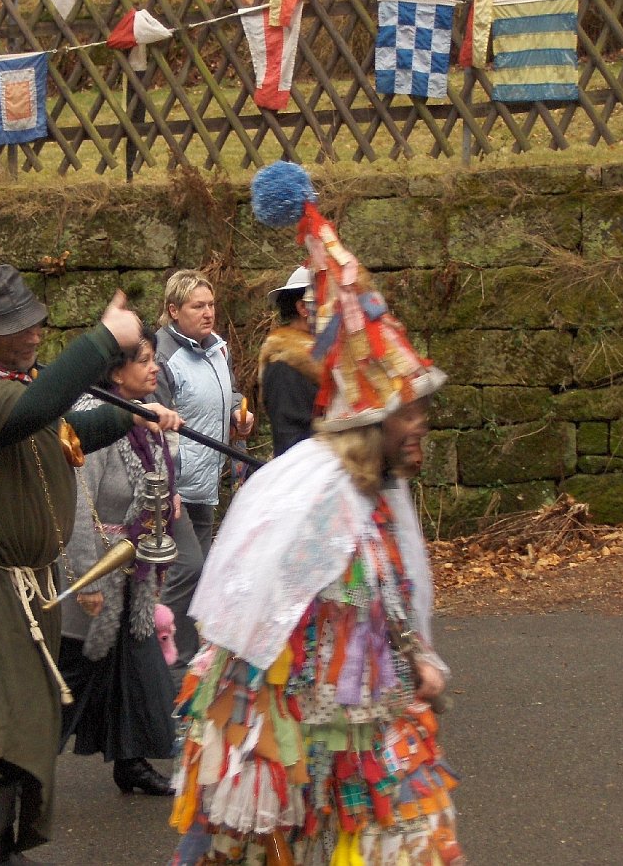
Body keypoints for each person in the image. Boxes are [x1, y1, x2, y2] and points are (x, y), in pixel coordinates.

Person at [170, 163, 463, 865]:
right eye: (408, 410)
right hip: (303, 728)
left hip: (368, 721)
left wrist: (413, 658)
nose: (421, 421)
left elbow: (383, 593)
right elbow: (268, 617)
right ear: (371, 421)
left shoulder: (378, 493)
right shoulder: (318, 502)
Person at [0, 263, 181, 864]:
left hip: (27, 586)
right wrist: (102, 342)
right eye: (19, 326)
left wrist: (133, 412)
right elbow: (35, 410)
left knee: (29, 720)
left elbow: (66, 428)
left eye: (37, 321)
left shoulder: (13, 382)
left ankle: (1, 844)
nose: (36, 332)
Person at [58, 326, 181, 798]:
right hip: (96, 574)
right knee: (72, 673)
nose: (154, 367)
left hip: (133, 574)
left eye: (154, 359)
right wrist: (87, 578)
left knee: (131, 668)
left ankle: (130, 762)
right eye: (144, 360)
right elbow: (79, 504)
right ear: (115, 371)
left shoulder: (138, 419)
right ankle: (17, 768)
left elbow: (155, 483)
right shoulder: (94, 423)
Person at [153, 270, 254, 673]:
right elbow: (153, 423)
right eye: (198, 306)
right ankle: (153, 643)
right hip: (174, 485)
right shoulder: (161, 357)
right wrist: (165, 481)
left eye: (211, 304)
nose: (208, 312)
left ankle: (184, 655)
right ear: (174, 310)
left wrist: (239, 415)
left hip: (205, 482)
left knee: (202, 570)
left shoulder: (217, 349)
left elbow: (231, 395)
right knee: (189, 567)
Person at [259, 266, 319, 456]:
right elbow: (290, 440)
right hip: (307, 475)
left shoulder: (323, 354)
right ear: (303, 308)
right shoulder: (283, 364)